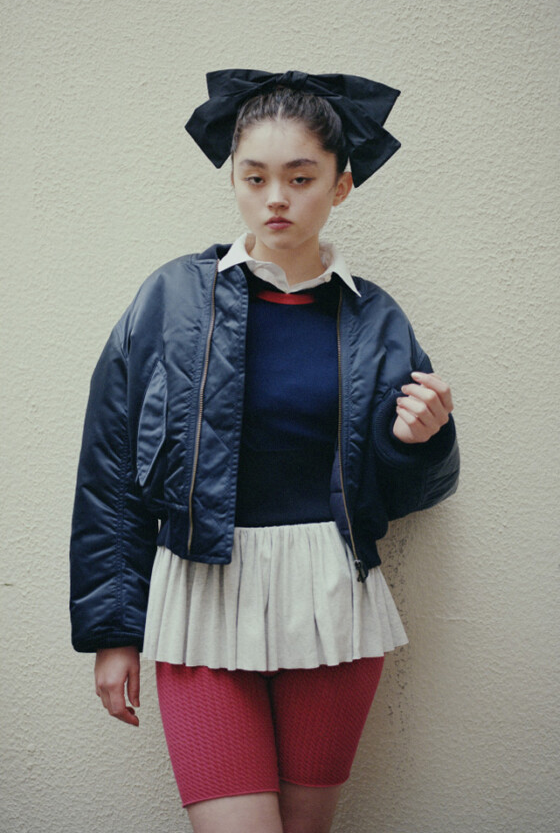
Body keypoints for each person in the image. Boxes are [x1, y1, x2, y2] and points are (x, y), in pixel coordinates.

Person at [70, 69, 459, 833]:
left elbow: (412, 493)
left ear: (341, 185)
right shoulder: (171, 300)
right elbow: (110, 471)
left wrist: (420, 441)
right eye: (255, 177)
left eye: (300, 178)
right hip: (201, 601)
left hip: (332, 602)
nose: (275, 198)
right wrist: (113, 630)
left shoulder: (376, 319)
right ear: (235, 180)